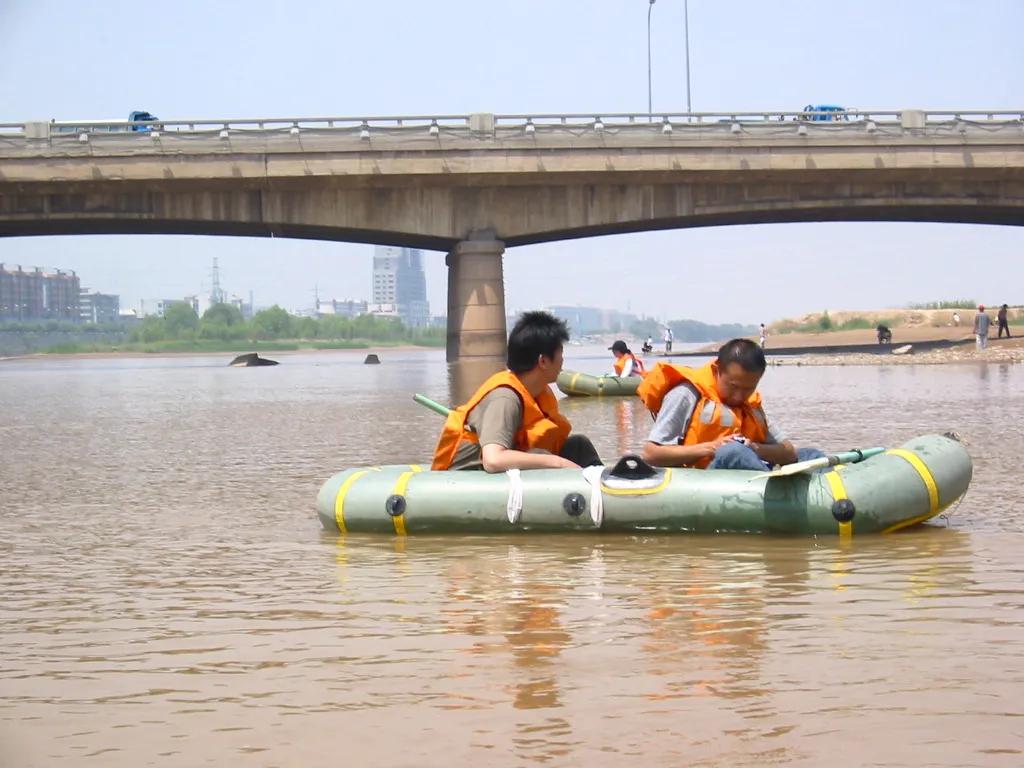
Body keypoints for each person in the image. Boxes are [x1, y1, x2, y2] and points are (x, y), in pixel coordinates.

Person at [433, 311, 602, 472]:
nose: (562, 361)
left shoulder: (536, 392)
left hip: (506, 476)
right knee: (541, 456)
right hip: (471, 479)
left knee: (578, 446)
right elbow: (493, 460)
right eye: (560, 354)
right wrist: (557, 462)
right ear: (543, 361)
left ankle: (608, 489)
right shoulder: (505, 398)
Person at [637, 338, 824, 471]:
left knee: (811, 455)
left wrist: (755, 448)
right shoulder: (686, 395)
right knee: (732, 452)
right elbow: (651, 454)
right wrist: (712, 447)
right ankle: (773, 493)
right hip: (699, 481)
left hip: (750, 470)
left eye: (748, 388)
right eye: (733, 386)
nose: (739, 395)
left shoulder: (751, 405)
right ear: (718, 371)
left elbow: (789, 452)